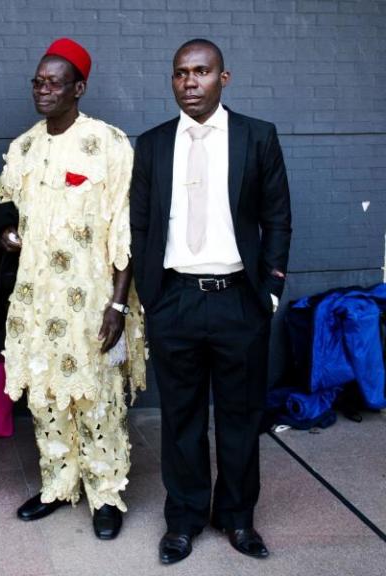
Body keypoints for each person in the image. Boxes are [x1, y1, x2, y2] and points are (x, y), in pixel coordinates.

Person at [130, 38, 292, 564]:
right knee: (181, 418)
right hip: (174, 299)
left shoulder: (257, 136)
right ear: (172, 80)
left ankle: (238, 518)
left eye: (201, 72)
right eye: (181, 73)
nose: (190, 82)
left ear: (224, 78)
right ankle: (184, 519)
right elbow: (141, 221)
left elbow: (278, 217)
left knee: (241, 418)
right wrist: (151, 295)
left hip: (238, 301)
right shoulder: (152, 143)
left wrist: (269, 291)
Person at [0, 38, 146, 540]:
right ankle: (58, 485)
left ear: (78, 88)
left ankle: (106, 493)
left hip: (93, 300)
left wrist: (117, 304)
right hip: (36, 302)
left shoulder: (108, 143)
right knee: (45, 397)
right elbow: (9, 217)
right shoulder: (23, 147)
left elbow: (123, 230)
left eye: (53, 82)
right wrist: (9, 235)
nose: (42, 89)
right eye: (37, 80)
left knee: (96, 397)